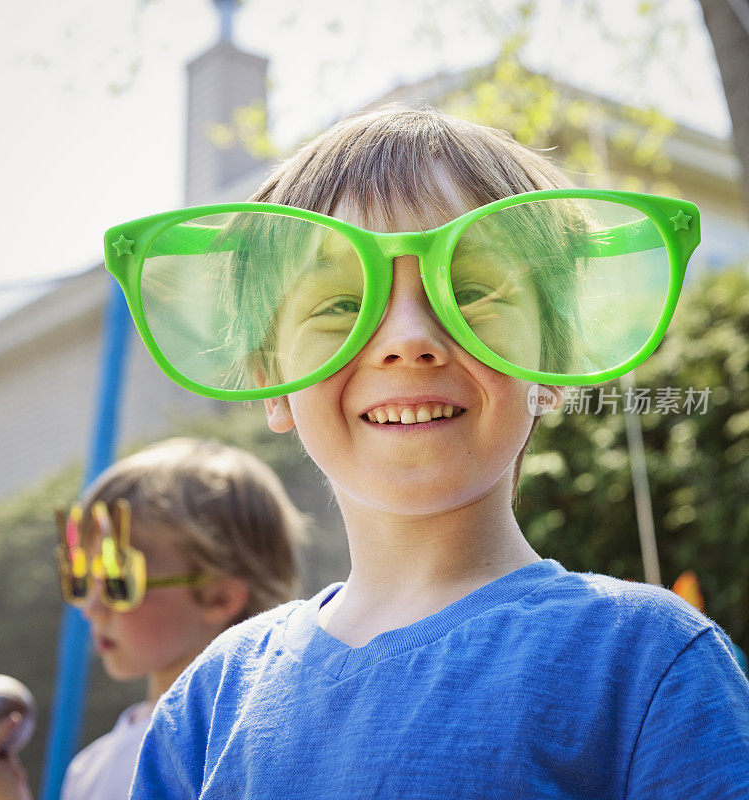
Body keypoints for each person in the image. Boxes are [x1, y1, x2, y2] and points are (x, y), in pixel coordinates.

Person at [110, 106, 748, 797]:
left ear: (553, 362)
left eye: (472, 290)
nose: (408, 337)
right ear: (272, 381)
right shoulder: (210, 699)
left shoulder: (646, 662)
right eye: (338, 304)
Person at [0, 437, 305, 800]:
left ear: (219, 596)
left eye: (118, 582)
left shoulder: (250, 751)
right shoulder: (90, 767)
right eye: (81, 579)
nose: (90, 608)